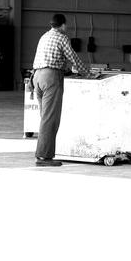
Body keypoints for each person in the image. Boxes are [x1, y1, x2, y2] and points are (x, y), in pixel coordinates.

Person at [31, 13, 87, 166]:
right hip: (51, 78)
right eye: (66, 25)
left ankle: (41, 154)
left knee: (45, 118)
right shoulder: (62, 37)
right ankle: (44, 157)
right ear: (63, 25)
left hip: (37, 77)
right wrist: (87, 73)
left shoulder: (44, 36)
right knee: (51, 119)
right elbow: (73, 58)